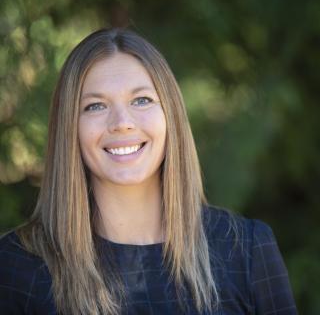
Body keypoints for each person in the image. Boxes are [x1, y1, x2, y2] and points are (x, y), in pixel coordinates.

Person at [0, 28, 297, 315]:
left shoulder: (246, 250)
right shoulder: (16, 267)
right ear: (69, 129)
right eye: (95, 106)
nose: (122, 122)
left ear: (171, 116)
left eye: (141, 100)